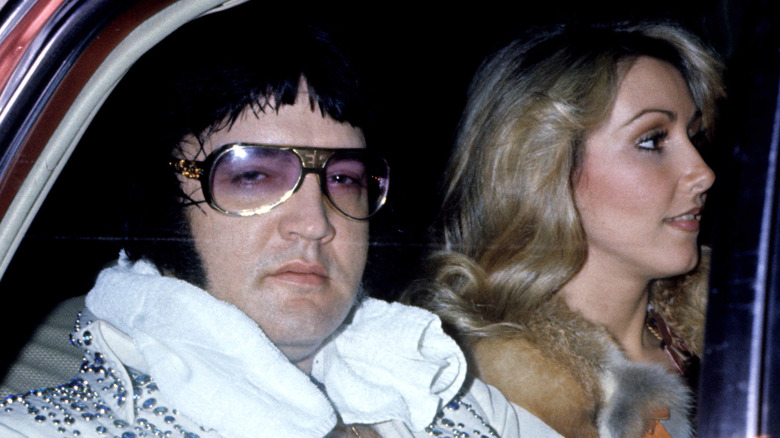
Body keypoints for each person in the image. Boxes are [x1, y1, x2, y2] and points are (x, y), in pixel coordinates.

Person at [0, 6, 560, 438]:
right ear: (161, 205)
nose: (314, 223)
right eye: (253, 175)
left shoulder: (451, 397)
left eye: (343, 179)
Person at [409, 20, 725, 438]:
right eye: (652, 140)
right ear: (546, 166)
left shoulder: (742, 333)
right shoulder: (468, 398)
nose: (703, 173)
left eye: (695, 136)